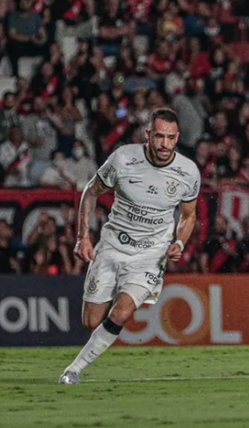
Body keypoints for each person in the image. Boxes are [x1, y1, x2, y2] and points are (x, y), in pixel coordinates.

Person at [58, 108, 200, 384]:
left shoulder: (188, 172)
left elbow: (189, 215)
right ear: (148, 135)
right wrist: (83, 236)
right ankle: (109, 305)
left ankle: (73, 370)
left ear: (177, 137)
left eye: (170, 138)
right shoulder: (124, 159)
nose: (164, 144)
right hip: (113, 245)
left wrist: (180, 241)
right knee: (91, 321)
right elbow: (91, 191)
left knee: (121, 312)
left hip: (150, 254)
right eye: (159, 136)